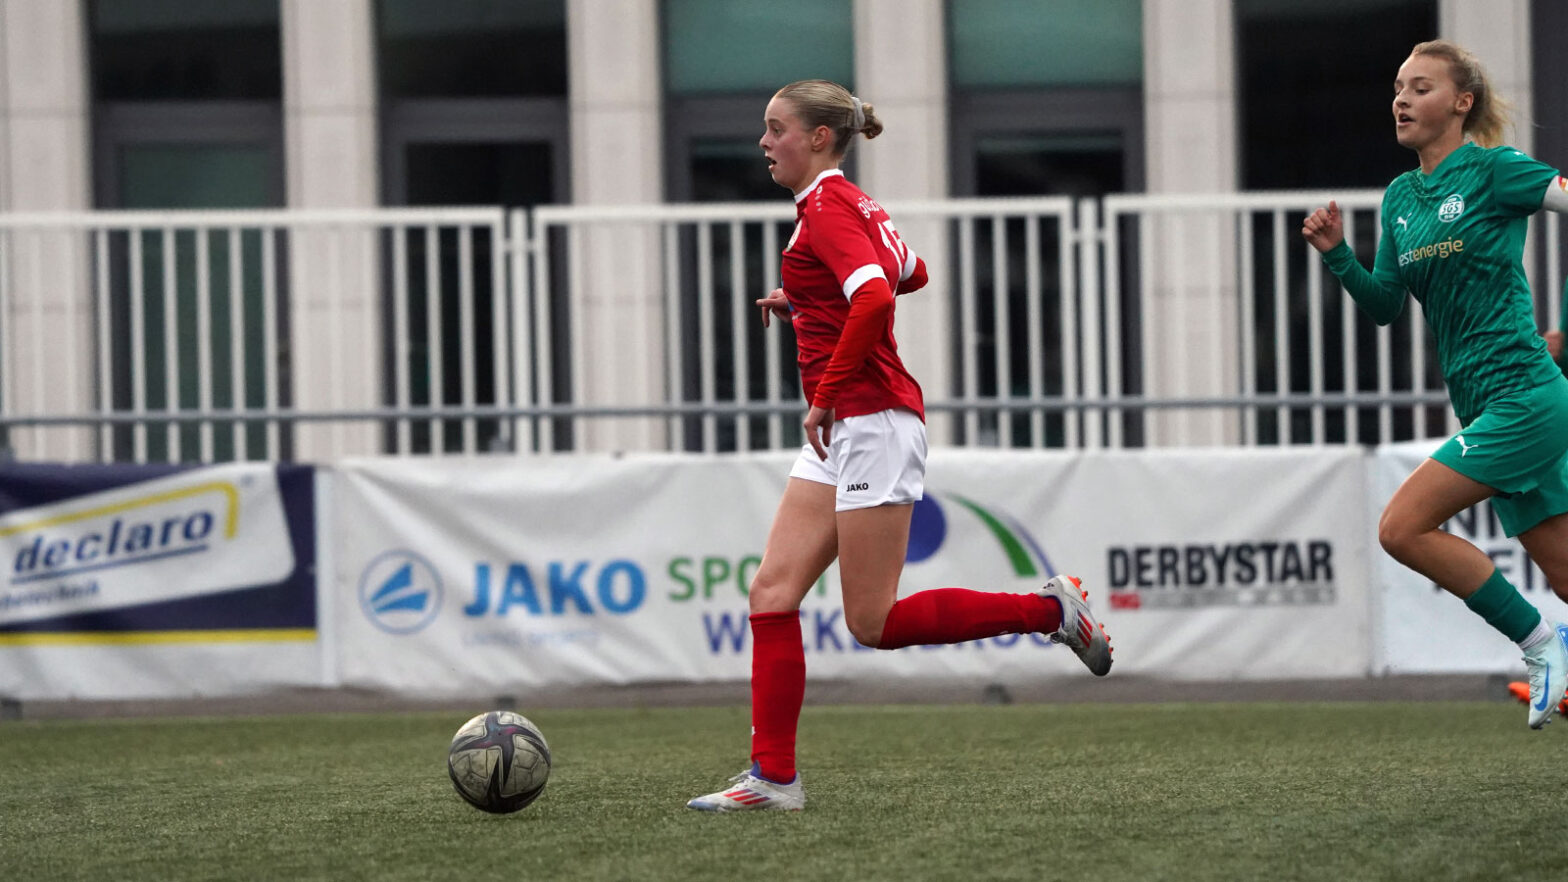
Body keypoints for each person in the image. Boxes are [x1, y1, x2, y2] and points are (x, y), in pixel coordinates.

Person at [686, 80, 1113, 813]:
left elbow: (879, 295)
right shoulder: (845, 203)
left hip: (870, 420)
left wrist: (823, 391)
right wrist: (811, 297)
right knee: (772, 593)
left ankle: (1049, 611)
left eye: (776, 128)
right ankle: (773, 779)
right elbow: (907, 270)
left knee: (872, 622)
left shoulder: (826, 205)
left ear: (820, 137)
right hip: (846, 424)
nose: (764, 142)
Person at [1302, 40, 1568, 728]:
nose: (1402, 98)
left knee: (1401, 527)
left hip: (1525, 398)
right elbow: (1387, 306)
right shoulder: (1398, 199)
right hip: (1483, 407)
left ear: (1462, 102)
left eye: (1421, 87)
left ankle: (1541, 643)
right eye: (1398, 87)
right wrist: (1338, 258)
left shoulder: (1494, 171)